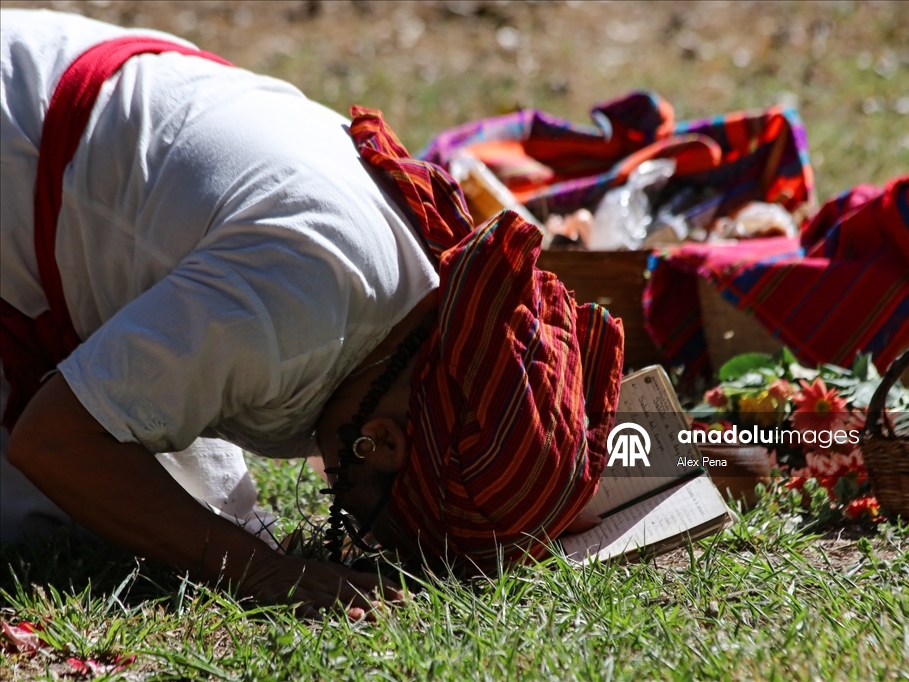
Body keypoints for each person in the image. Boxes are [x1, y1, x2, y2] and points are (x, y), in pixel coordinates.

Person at [1, 10, 624, 619]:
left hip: (56, 114)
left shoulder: (408, 298)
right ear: (379, 442)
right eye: (381, 524)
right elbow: (55, 441)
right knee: (46, 519)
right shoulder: (292, 310)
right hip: (17, 135)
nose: (350, 518)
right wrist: (264, 572)